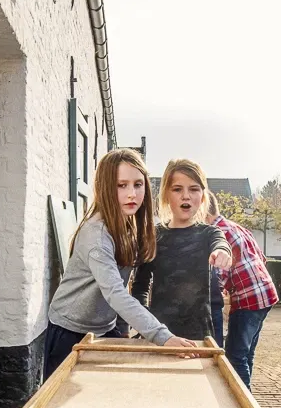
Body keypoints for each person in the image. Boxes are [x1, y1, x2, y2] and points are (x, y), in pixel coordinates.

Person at [43, 148, 199, 378]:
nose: (132, 194)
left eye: (138, 184)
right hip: (69, 331)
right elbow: (115, 293)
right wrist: (163, 336)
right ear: (106, 187)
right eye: (121, 185)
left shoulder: (129, 223)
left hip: (105, 328)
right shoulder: (96, 236)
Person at [130, 159, 232, 340]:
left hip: (199, 337)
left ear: (202, 197)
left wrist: (223, 252)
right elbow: (140, 287)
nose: (186, 196)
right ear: (166, 195)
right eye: (177, 189)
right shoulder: (153, 236)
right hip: (160, 336)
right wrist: (145, 324)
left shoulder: (209, 233)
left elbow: (221, 243)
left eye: (193, 189)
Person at [205, 192, 278, 386]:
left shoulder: (217, 233)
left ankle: (245, 406)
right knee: (246, 354)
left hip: (248, 299)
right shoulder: (236, 226)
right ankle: (248, 395)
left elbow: (218, 278)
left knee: (235, 357)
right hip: (265, 293)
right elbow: (261, 258)